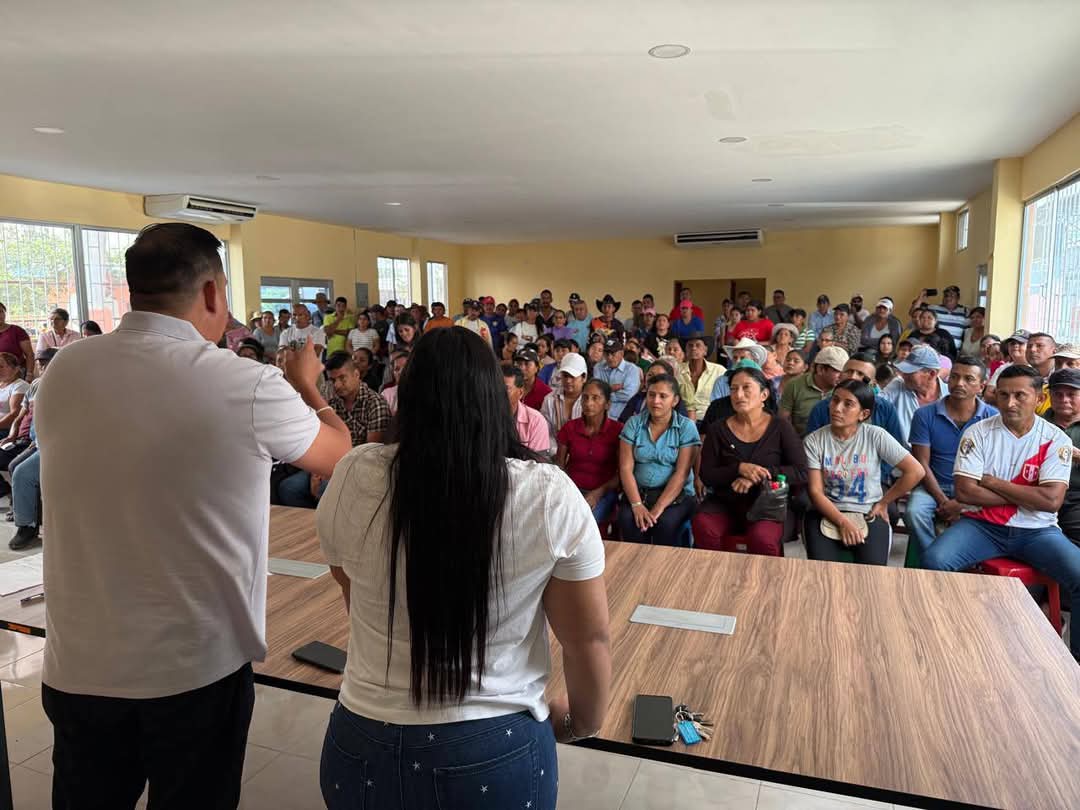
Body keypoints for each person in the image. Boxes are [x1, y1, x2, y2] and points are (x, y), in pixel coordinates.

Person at [34, 222, 352, 808]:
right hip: (193, 666)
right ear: (211, 292)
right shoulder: (246, 382)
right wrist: (307, 386)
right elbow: (341, 457)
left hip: (80, 660)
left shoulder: (65, 370)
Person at [315, 326, 610, 810]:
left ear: (405, 400)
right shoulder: (546, 493)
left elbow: (352, 593)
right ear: (494, 398)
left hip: (362, 744)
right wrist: (582, 723)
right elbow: (588, 641)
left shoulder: (354, 473)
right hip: (495, 752)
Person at [923, 365, 1080, 660]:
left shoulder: (1056, 439)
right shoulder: (978, 433)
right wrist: (1028, 495)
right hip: (982, 526)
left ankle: (1075, 663)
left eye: (1020, 395)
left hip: (1038, 531)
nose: (1010, 403)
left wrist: (993, 482)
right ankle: (944, 642)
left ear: (1039, 398)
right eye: (1003, 395)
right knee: (934, 561)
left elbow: (1050, 501)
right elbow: (965, 493)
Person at [804, 381, 924, 564]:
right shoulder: (814, 441)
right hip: (827, 511)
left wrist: (884, 502)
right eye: (835, 400)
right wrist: (843, 522)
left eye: (848, 404)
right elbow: (815, 492)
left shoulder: (875, 436)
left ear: (864, 414)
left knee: (872, 573)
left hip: (868, 511)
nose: (837, 408)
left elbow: (915, 471)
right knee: (822, 572)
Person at [693, 366, 808, 555]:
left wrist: (757, 475)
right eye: (733, 389)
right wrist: (739, 468)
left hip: (768, 504)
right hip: (725, 502)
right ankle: (713, 572)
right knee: (704, 526)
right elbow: (707, 474)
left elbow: (801, 472)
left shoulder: (780, 427)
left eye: (746, 388)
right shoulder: (717, 430)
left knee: (762, 538)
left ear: (764, 394)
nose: (739, 395)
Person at [906, 356, 997, 562]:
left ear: (981, 386)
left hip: (974, 489)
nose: (959, 383)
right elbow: (922, 464)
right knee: (914, 512)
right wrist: (943, 501)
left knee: (992, 515)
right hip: (933, 485)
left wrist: (961, 502)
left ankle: (949, 560)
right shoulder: (925, 414)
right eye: (954, 376)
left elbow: (992, 467)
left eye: (968, 379)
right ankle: (935, 560)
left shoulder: (992, 419)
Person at [279, 353, 392, 508]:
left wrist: (332, 471)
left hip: (359, 467)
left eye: (342, 378)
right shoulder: (332, 403)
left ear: (356, 374)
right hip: (330, 462)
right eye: (332, 380)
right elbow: (320, 441)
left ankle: (328, 520)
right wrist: (317, 472)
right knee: (288, 488)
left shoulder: (375, 404)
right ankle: (314, 520)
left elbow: (371, 453)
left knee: (326, 488)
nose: (337, 385)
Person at [617, 374, 701, 546]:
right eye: (651, 395)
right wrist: (637, 504)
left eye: (663, 396)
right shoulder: (634, 423)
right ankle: (636, 562)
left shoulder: (686, 427)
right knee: (628, 520)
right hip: (640, 493)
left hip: (676, 497)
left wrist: (657, 509)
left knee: (664, 524)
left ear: (675, 400)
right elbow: (625, 468)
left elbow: (682, 473)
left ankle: (664, 564)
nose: (656, 401)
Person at [556, 379, 623, 523]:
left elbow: (621, 473)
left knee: (585, 522)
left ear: (607, 404)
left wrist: (599, 493)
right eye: (585, 398)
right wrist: (569, 492)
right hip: (572, 490)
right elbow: (559, 467)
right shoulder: (569, 428)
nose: (588, 403)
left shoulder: (618, 431)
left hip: (603, 492)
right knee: (558, 519)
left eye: (595, 398)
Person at [881, 344, 948, 444]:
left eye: (910, 372)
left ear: (932, 374)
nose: (903, 375)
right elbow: (877, 404)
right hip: (901, 452)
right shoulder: (898, 385)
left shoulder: (949, 395)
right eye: (904, 370)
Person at [779, 346, 849, 435]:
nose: (842, 376)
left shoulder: (845, 389)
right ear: (820, 369)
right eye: (837, 371)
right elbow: (783, 419)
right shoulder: (794, 385)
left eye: (845, 372)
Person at [1045, 369, 1080, 548]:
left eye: (1071, 394)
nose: (1064, 399)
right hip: (1040, 495)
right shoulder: (1036, 424)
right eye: (1058, 394)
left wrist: (1078, 456)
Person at [541, 353, 588, 448]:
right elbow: (545, 432)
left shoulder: (591, 402)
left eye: (573, 376)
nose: (568, 381)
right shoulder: (549, 399)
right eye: (565, 376)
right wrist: (557, 452)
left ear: (584, 378)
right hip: (553, 451)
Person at [619, 360, 689, 423]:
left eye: (659, 376)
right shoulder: (638, 397)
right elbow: (622, 421)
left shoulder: (676, 403)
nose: (653, 379)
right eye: (650, 375)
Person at [503, 364, 551, 455]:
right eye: (495, 388)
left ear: (520, 393)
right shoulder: (483, 417)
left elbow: (538, 461)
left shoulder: (536, 421)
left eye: (506, 389)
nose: (498, 393)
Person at [677, 335, 725, 423]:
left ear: (705, 350)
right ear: (686, 351)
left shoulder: (719, 371)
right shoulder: (676, 370)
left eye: (698, 345)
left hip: (711, 421)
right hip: (682, 420)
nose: (694, 348)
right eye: (690, 345)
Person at [591, 337, 641, 420]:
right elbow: (595, 392)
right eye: (607, 354)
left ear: (621, 354)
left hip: (622, 418)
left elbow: (629, 395)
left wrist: (606, 394)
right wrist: (610, 388)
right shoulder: (598, 367)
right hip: (599, 415)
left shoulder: (632, 369)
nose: (609, 357)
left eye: (613, 354)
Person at [911, 285, 968, 352]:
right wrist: (921, 296)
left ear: (958, 298)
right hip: (935, 348)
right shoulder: (934, 308)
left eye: (952, 296)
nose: (948, 298)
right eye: (946, 296)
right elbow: (914, 312)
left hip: (954, 352)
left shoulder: (965, 311)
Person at [1025, 331, 1057, 416]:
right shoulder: (1022, 376)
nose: (1032, 350)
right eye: (1029, 346)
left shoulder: (1063, 378)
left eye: (1039, 346)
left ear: (1054, 351)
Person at [0, 303, 34, 381]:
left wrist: (29, 374)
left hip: (16, 375)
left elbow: (29, 354)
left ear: (5, 313)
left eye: (1, 311)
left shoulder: (17, 331)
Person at [514, 347, 553, 411]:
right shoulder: (511, 388)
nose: (522, 368)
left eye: (527, 364)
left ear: (537, 368)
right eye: (519, 364)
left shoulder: (546, 393)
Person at [0, 353, 30, 436]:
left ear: (16, 369)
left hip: (6, 430)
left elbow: (15, 414)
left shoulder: (20, 386)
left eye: (1, 366)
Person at [381, 350, 410, 415]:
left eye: (405, 367)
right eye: (397, 369)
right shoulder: (386, 394)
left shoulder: (425, 392)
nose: (400, 372)